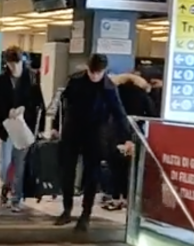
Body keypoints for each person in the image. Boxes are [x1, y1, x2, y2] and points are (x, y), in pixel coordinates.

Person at [52, 54, 135, 231]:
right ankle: (66, 209)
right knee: (67, 171)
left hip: (95, 135)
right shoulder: (75, 81)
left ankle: (85, 214)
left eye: (98, 73)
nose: (95, 76)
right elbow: (63, 104)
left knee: (92, 174)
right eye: (92, 72)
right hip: (72, 131)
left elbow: (119, 112)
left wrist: (128, 137)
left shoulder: (109, 88)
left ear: (104, 71)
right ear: (88, 69)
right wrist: (54, 126)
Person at [0, 46, 45, 212]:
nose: (14, 68)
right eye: (10, 64)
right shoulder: (0, 80)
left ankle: (16, 197)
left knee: (19, 163)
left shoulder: (32, 78)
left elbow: (38, 103)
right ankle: (6, 189)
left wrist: (27, 114)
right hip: (6, 126)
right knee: (5, 163)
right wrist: (7, 111)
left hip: (24, 127)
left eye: (16, 64)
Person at [102, 72, 156, 211]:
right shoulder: (142, 94)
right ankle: (128, 198)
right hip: (134, 132)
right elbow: (152, 114)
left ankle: (115, 197)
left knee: (114, 166)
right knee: (131, 167)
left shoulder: (114, 92)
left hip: (114, 132)